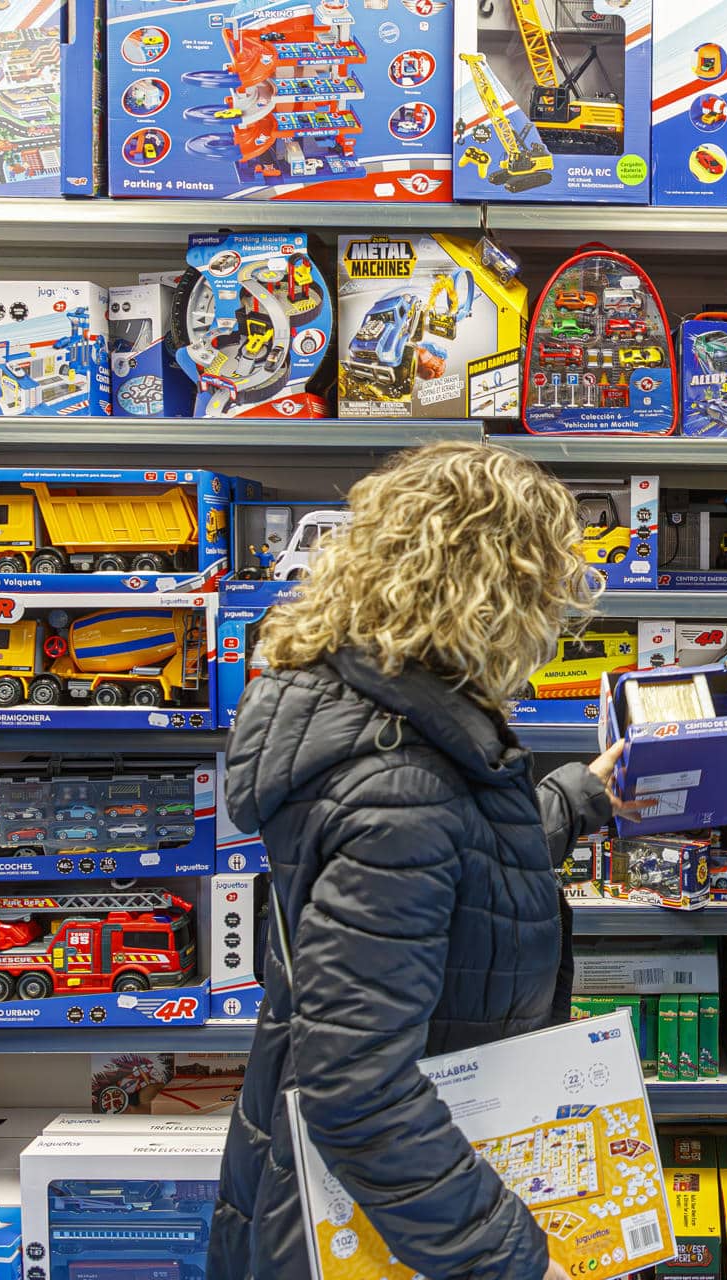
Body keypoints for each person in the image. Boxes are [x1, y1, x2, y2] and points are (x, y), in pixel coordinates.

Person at [211, 442, 635, 1280]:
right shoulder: (399, 777)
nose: (553, 617)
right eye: (545, 587)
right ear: (490, 590)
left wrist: (578, 797)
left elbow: (448, 864)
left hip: (405, 1196)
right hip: (380, 1233)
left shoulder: (388, 719)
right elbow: (357, 1087)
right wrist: (509, 1259)